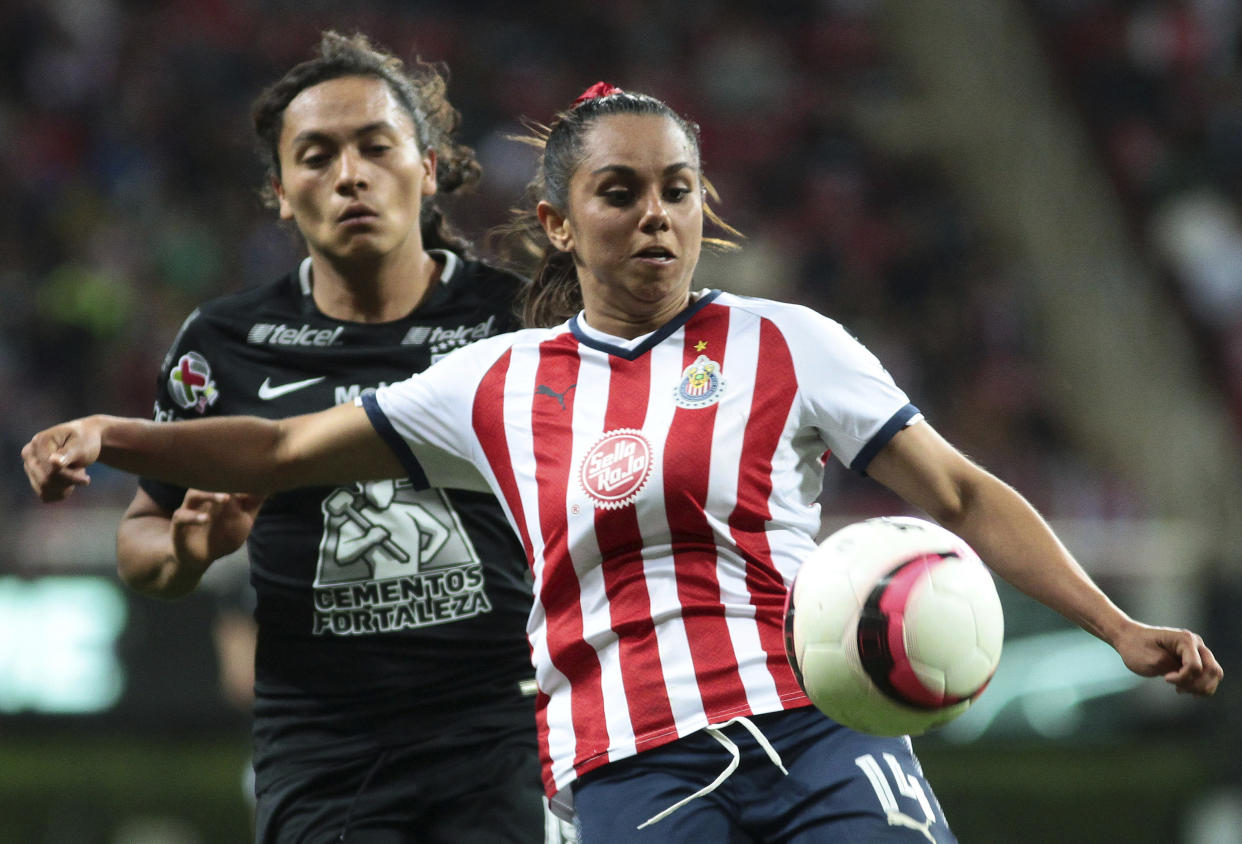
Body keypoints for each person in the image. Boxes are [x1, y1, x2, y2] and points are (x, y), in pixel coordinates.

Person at [24, 83, 1222, 843]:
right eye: (620, 191)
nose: (656, 214)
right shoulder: (495, 381)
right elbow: (284, 446)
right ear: (558, 223)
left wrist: (1114, 624)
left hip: (819, 733)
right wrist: (118, 434)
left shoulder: (789, 342)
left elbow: (960, 493)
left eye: (679, 190)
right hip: (626, 770)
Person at [104, 31, 562, 844]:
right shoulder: (222, 344)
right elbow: (142, 540)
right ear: (281, 192)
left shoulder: (521, 325)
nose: (349, 174)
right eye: (315, 157)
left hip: (504, 732)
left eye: (375, 148)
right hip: (321, 752)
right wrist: (185, 551)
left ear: (426, 169)